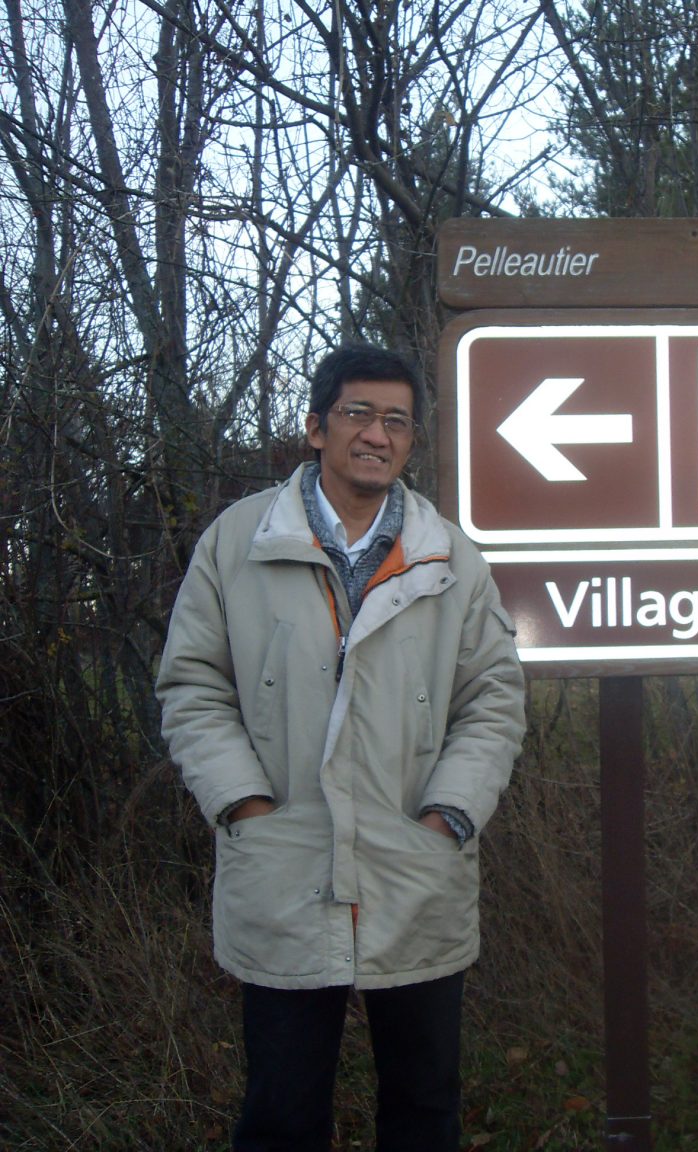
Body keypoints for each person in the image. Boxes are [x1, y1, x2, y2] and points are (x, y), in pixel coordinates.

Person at [158, 342, 527, 1152]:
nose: (377, 434)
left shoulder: (448, 557)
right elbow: (192, 684)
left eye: (397, 420)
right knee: (282, 1114)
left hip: (415, 866)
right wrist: (244, 804)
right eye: (358, 413)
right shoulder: (238, 542)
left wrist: (449, 816)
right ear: (316, 427)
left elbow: (492, 699)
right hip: (283, 862)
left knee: (424, 1110)